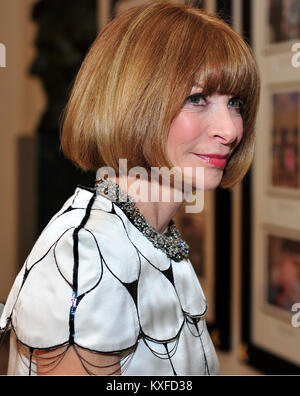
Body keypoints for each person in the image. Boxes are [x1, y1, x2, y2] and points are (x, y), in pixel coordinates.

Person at [0, 0, 260, 375]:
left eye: (235, 102)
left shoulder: (154, 238)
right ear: (135, 105)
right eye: (197, 99)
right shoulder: (85, 256)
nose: (231, 129)